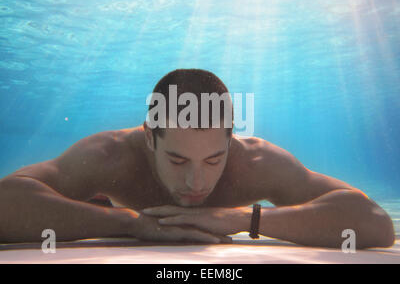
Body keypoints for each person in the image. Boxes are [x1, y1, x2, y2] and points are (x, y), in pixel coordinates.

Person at [0, 69, 395, 248]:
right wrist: (128, 223)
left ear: (230, 140)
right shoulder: (111, 155)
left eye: (213, 160)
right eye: (177, 160)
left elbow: (375, 223)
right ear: (149, 137)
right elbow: (6, 200)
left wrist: (247, 218)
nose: (196, 183)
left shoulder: (255, 162)